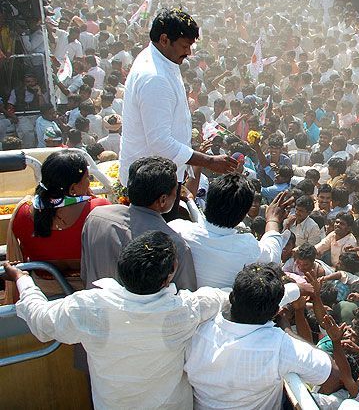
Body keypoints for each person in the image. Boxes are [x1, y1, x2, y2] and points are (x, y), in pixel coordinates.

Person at [7, 231, 229, 409]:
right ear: (169, 274)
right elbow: (224, 297)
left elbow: (40, 320)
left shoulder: (89, 307)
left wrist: (22, 279)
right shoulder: (183, 310)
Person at [119, 8, 237, 200]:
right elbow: (159, 142)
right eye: (184, 46)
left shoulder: (162, 60)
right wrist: (208, 161)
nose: (189, 52)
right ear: (164, 40)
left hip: (160, 179)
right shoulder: (154, 77)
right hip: (150, 189)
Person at [185, 263, 335, 409]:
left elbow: (251, 301)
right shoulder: (280, 347)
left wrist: (297, 289)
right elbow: (332, 372)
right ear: (276, 312)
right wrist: (288, 331)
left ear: (231, 297)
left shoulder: (197, 329)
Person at [80, 156, 197, 291]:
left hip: (95, 301)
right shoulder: (176, 245)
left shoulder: (96, 217)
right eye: (176, 191)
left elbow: (85, 274)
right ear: (163, 200)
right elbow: (186, 295)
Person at [5, 150, 110, 299]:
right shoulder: (99, 208)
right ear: (73, 188)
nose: (89, 183)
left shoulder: (22, 212)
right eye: (87, 178)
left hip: (43, 294)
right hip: (91, 293)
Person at [168, 174, 293, 288]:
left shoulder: (176, 229)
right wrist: (273, 220)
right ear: (244, 213)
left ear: (208, 199)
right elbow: (272, 256)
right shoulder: (248, 248)